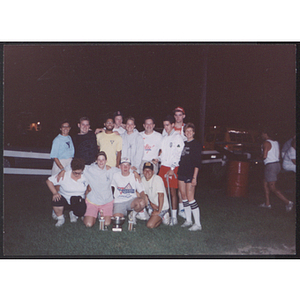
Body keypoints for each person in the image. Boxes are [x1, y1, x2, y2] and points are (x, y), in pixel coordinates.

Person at [46, 158, 88, 227]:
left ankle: (74, 213)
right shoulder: (65, 175)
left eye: (79, 173)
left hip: (78, 199)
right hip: (65, 198)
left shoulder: (85, 176)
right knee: (56, 199)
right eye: (75, 173)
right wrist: (55, 193)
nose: (77, 175)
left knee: (81, 210)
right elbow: (48, 181)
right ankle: (60, 218)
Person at [158, 115, 184, 225]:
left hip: (172, 167)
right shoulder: (164, 137)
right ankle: (165, 214)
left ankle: (174, 217)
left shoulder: (177, 137)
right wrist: (158, 158)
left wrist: (172, 168)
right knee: (162, 191)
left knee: (173, 192)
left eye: (167, 125)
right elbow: (162, 153)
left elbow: (178, 154)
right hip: (163, 166)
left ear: (172, 125)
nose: (166, 127)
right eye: (164, 125)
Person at [259, 127, 293, 212]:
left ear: (266, 134)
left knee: (272, 187)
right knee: (265, 183)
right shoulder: (276, 143)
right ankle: (267, 204)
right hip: (277, 164)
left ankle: (288, 202)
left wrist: (259, 157)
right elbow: (278, 156)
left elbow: (264, 156)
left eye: (263, 133)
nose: (261, 135)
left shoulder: (266, 143)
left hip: (270, 166)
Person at [178, 123, 202, 231]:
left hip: (190, 174)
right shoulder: (183, 144)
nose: (188, 133)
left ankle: (197, 224)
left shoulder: (196, 144)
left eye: (190, 131)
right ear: (184, 133)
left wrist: (194, 177)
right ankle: (188, 220)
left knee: (190, 197)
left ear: (194, 132)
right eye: (187, 131)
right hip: (182, 173)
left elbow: (197, 163)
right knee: (183, 196)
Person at [111, 158, 147, 224]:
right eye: (123, 165)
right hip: (119, 201)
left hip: (131, 200)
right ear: (119, 166)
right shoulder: (115, 175)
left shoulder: (134, 176)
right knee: (117, 219)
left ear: (130, 167)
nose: (125, 167)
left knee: (141, 202)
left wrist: (143, 200)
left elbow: (141, 191)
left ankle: (133, 214)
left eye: (127, 165)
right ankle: (120, 212)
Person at [142, 161, 170, 228]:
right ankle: (144, 213)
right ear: (143, 171)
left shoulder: (157, 179)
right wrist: (151, 204)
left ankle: (164, 215)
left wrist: (159, 211)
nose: (147, 172)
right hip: (153, 205)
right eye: (145, 170)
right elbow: (146, 194)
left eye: (149, 170)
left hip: (162, 206)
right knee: (139, 195)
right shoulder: (143, 179)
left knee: (150, 225)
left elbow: (161, 195)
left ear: (153, 172)